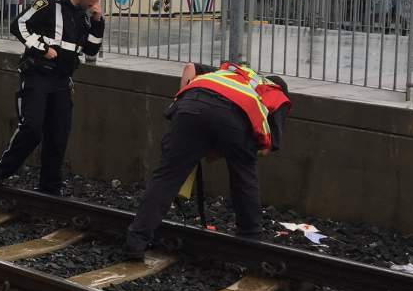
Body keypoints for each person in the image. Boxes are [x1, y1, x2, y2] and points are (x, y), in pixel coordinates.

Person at [125, 61, 292, 259]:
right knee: (244, 178)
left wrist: (200, 143)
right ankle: (250, 244)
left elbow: (190, 68)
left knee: (166, 178)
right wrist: (225, 148)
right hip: (233, 116)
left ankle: (136, 242)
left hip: (190, 103)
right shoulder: (276, 93)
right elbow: (264, 149)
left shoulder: (234, 72)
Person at [0, 0, 107, 195]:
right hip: (38, 76)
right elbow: (19, 24)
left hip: (61, 81)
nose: (97, 2)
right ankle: (2, 172)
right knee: (31, 127)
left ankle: (50, 187)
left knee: (58, 134)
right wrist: (41, 47)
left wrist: (98, 22)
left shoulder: (83, 16)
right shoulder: (49, 3)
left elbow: (91, 49)